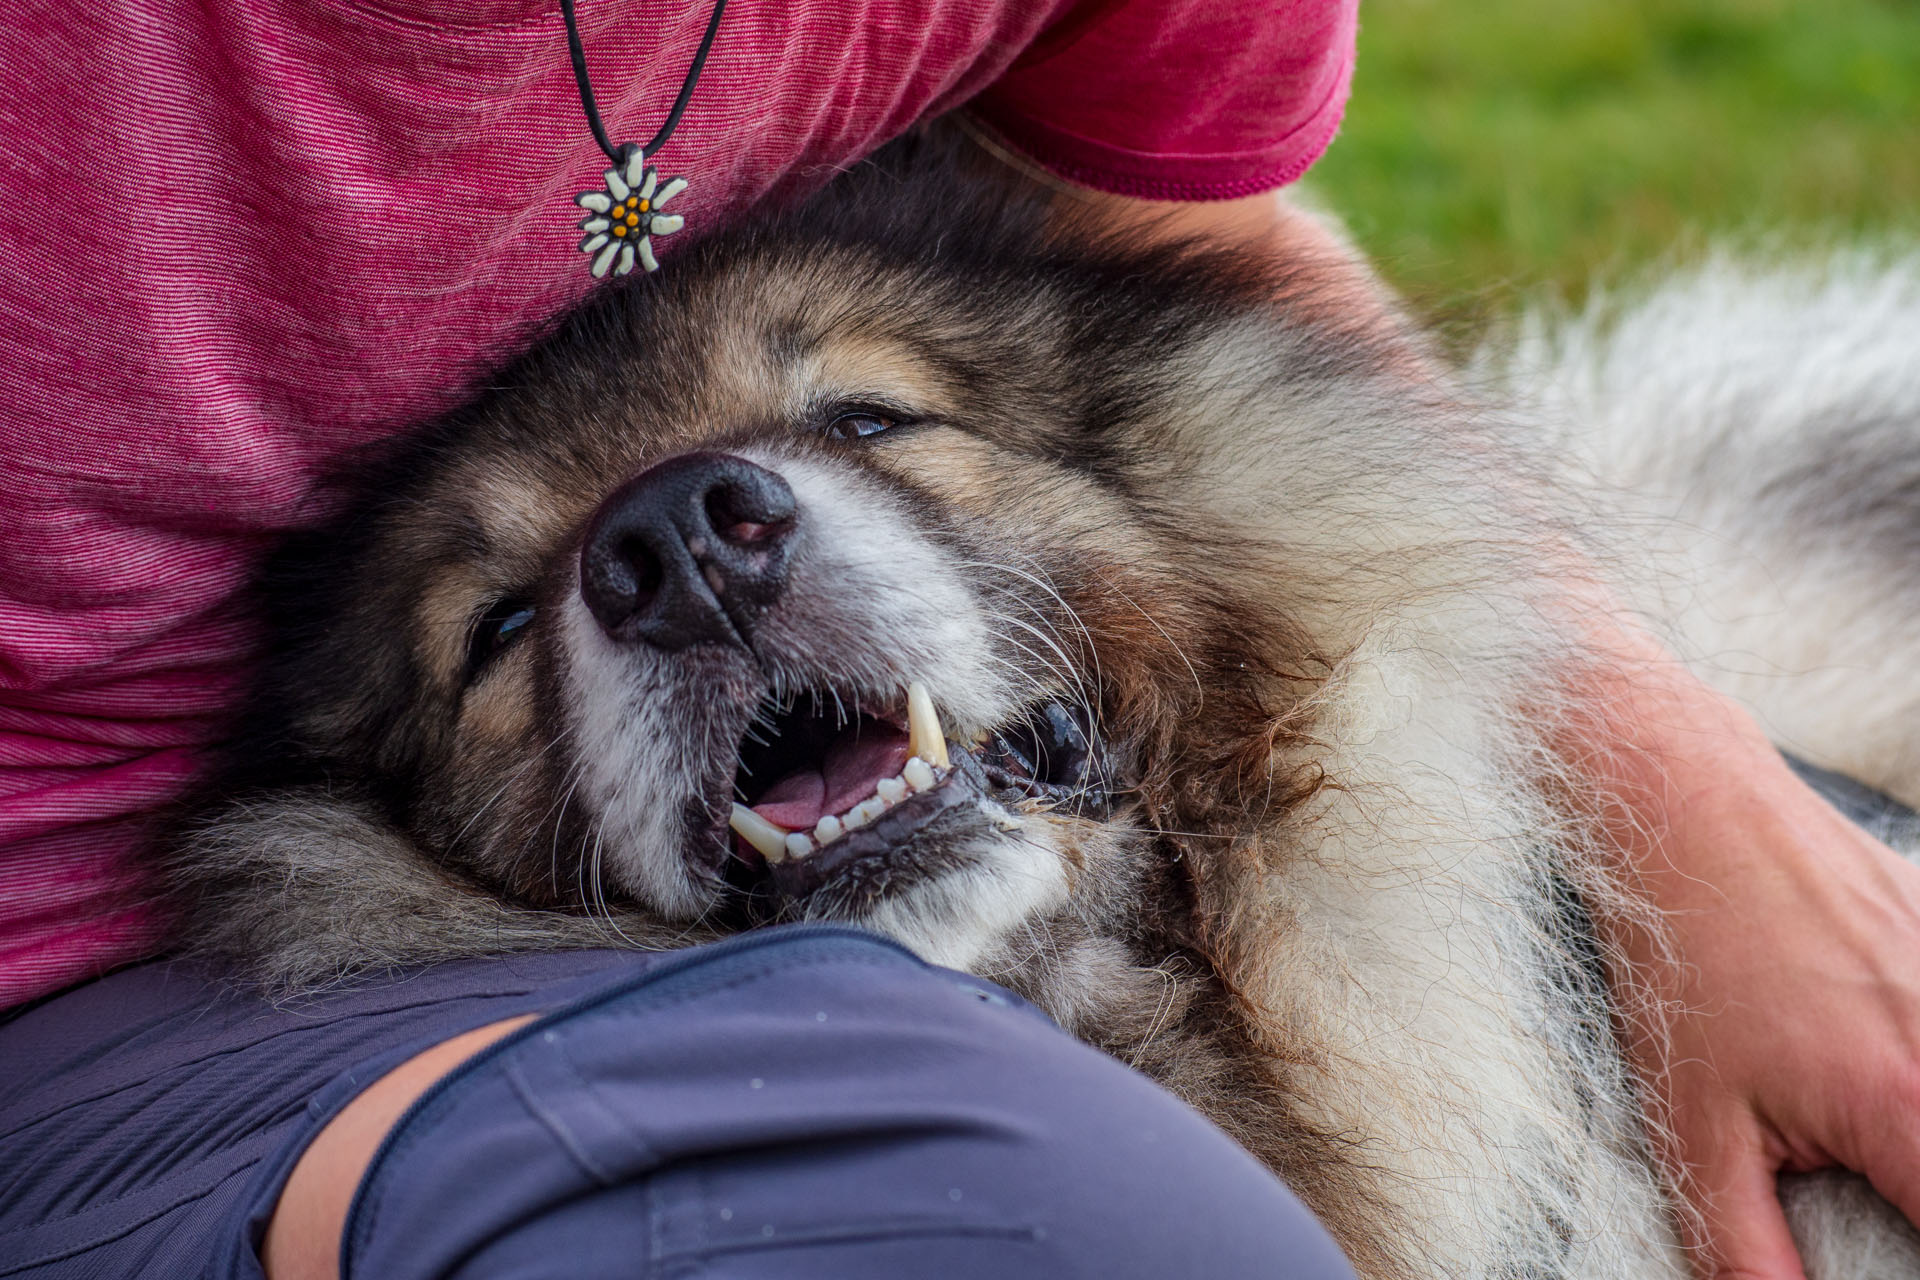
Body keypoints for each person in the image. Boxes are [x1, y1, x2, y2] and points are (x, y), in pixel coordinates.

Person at [1, 3, 1916, 1278]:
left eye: (858, 421)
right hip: (120, 993)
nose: (689, 550)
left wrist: (1674, 777)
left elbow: (1195, 230)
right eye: (502, 623)